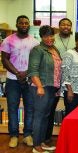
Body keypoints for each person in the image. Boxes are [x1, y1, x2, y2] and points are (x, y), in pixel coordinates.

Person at [0, 15, 39, 148]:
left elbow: (36, 62)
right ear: (17, 24)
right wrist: (17, 73)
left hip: (29, 80)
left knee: (30, 108)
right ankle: (14, 136)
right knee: (12, 108)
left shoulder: (35, 42)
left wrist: (26, 73)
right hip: (12, 80)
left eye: (26, 23)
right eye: (21, 23)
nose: (24, 25)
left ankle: (27, 135)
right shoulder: (8, 40)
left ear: (29, 25)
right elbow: (4, 59)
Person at [28, 25, 61, 153]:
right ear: (41, 37)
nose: (49, 38)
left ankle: (41, 142)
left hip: (52, 88)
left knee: (46, 116)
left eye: (51, 35)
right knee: (39, 116)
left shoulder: (54, 49)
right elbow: (33, 70)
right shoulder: (37, 50)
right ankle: (36, 145)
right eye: (46, 36)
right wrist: (40, 86)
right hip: (42, 87)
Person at [45, 17, 76, 143]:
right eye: (63, 24)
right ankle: (46, 137)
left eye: (68, 25)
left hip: (70, 79)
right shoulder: (53, 39)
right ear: (59, 26)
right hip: (55, 78)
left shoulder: (75, 39)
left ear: (71, 26)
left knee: (71, 109)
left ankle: (70, 137)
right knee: (50, 108)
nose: (66, 27)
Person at [61, 32, 78, 116]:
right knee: (70, 115)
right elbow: (65, 72)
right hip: (71, 92)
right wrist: (69, 90)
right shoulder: (69, 53)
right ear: (76, 42)